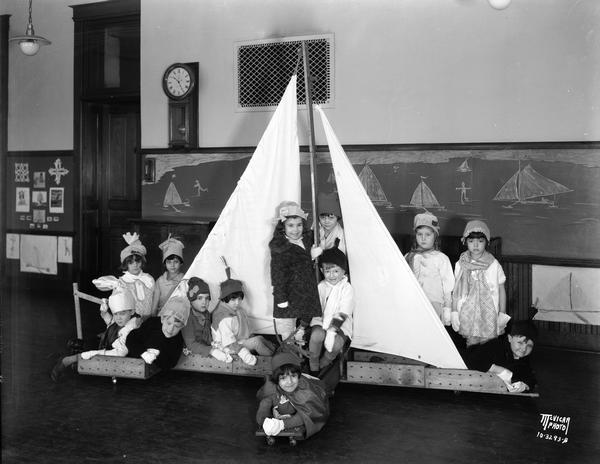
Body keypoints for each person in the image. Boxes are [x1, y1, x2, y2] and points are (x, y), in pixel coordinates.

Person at [51, 287, 140, 381]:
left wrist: (91, 353)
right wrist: (104, 311)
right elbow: (111, 322)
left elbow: (120, 353)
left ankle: (68, 360)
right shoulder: (123, 321)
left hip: (108, 352)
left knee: (82, 348)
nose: (118, 318)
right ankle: (68, 359)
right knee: (77, 344)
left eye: (122, 314)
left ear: (132, 311)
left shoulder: (130, 329)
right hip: (103, 343)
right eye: (116, 314)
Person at [269, 201, 322, 342]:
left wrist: (313, 255)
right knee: (288, 330)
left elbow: (304, 266)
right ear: (283, 227)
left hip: (305, 292)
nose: (295, 230)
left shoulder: (307, 239)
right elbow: (277, 274)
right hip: (288, 293)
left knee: (302, 329)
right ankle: (290, 357)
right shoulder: (280, 247)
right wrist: (281, 298)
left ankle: (300, 355)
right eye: (290, 225)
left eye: (299, 225)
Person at [452, 220, 507, 346]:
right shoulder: (460, 264)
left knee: (488, 345)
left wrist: (502, 314)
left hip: (488, 311)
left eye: (480, 241)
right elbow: (456, 289)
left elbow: (501, 289)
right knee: (471, 343)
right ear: (465, 242)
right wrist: (454, 311)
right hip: (468, 311)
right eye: (471, 241)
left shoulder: (493, 264)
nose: (475, 245)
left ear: (487, 242)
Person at [210, 264, 275, 365]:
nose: (237, 302)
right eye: (233, 299)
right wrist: (245, 354)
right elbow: (230, 343)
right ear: (225, 298)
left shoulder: (237, 311)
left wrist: (250, 337)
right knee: (256, 342)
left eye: (239, 299)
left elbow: (246, 330)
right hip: (226, 346)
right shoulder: (223, 317)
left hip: (237, 340)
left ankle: (276, 352)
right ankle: (272, 362)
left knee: (260, 338)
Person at [256, 352, 329, 440]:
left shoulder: (306, 391)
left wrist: (282, 424)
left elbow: (308, 415)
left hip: (316, 386)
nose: (289, 382)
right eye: (283, 378)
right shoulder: (272, 388)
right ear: (276, 380)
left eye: (293, 376)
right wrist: (265, 422)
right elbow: (264, 404)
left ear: (298, 376)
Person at [308, 245, 354, 375]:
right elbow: (315, 307)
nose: (331, 275)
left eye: (335, 271)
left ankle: (326, 360)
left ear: (343, 271)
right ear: (322, 271)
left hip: (340, 323)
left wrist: (333, 330)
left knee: (335, 344)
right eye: (327, 271)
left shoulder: (347, 288)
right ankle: (313, 362)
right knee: (317, 335)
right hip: (322, 319)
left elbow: (344, 311)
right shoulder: (321, 286)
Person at [405, 212, 454, 326]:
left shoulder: (441, 259)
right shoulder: (409, 257)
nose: (423, 238)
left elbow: (447, 288)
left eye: (428, 234)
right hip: (413, 304)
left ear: (435, 236)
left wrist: (447, 308)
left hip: (434, 305)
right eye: (419, 234)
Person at [464, 320, 537, 393]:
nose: (524, 349)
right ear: (510, 338)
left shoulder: (525, 358)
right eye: (520, 343)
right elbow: (472, 360)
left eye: (529, 346)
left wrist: (525, 386)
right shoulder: (495, 346)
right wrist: (496, 369)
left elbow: (530, 376)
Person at [99, 232, 155, 320]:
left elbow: (155, 301)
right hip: (130, 322)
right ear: (126, 264)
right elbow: (118, 308)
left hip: (149, 321)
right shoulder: (121, 282)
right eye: (131, 262)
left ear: (142, 262)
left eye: (138, 261)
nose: (135, 265)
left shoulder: (149, 279)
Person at [125, 296, 188, 370]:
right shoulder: (152, 323)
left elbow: (171, 363)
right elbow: (131, 338)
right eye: (168, 323)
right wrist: (144, 353)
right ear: (162, 319)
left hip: (155, 374)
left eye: (176, 326)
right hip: (132, 365)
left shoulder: (178, 339)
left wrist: (156, 356)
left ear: (182, 327)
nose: (170, 329)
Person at [152, 234, 185, 315]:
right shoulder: (160, 280)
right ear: (165, 263)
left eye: (176, 262)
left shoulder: (184, 280)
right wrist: (153, 317)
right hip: (161, 316)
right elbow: (155, 303)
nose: (172, 265)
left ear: (181, 263)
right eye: (169, 262)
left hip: (177, 317)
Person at [181, 277, 213, 356]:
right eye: (199, 298)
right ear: (191, 300)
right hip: (192, 354)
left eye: (207, 298)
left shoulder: (207, 314)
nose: (204, 302)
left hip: (207, 348)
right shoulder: (188, 317)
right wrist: (212, 351)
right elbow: (191, 344)